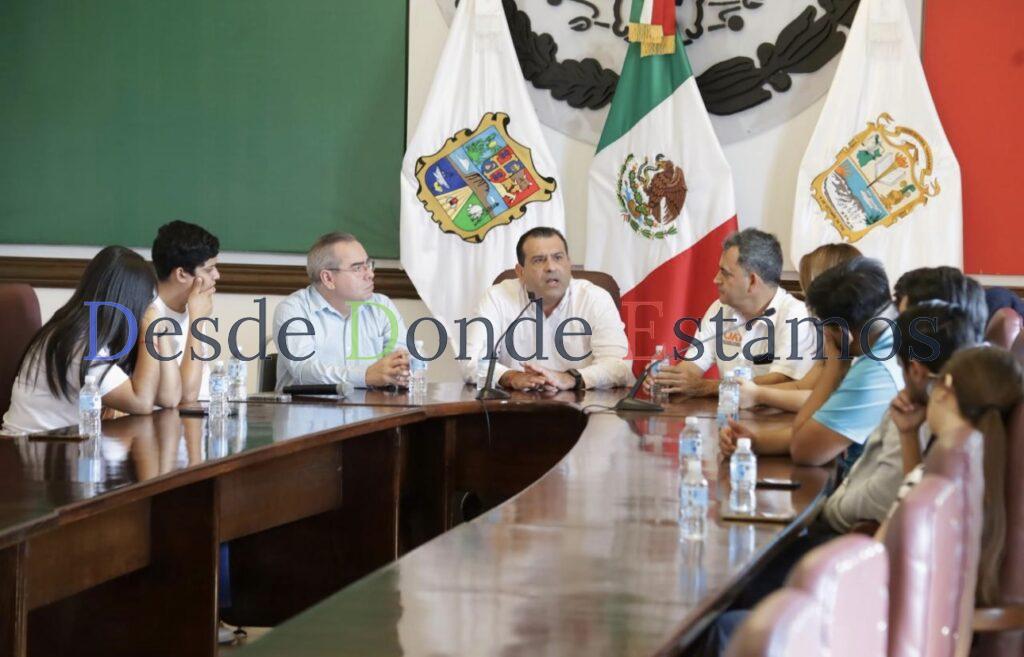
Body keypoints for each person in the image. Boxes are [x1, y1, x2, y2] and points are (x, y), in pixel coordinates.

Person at [722, 257, 903, 472]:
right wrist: (755, 441)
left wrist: (836, 364)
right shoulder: (890, 339)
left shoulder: (875, 371)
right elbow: (821, 427)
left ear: (841, 333)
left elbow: (804, 450)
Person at [821, 301, 978, 533]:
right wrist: (908, 434)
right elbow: (913, 497)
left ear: (915, 370)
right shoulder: (972, 408)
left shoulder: (950, 441)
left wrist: (825, 513)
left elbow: (911, 519)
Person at [893, 346, 1023, 607]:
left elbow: (890, 555)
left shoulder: (938, 479)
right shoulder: (1001, 474)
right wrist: (908, 435)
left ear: (945, 389)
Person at [2, 246, 181, 433]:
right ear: (127, 302)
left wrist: (160, 329)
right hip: (26, 451)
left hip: (60, 448)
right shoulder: (77, 342)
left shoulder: (106, 336)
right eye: (146, 303)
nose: (148, 310)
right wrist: (149, 334)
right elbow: (141, 402)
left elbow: (170, 398)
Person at [650, 229, 817, 398]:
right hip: (728, 417)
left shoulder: (795, 315)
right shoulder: (719, 309)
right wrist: (667, 381)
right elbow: (692, 367)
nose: (716, 279)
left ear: (752, 281)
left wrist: (708, 387)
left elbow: (783, 381)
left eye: (725, 272)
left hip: (776, 420)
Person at [461, 227, 632, 391]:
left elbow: (619, 366)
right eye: (539, 260)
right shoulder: (497, 297)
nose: (551, 267)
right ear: (520, 272)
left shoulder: (594, 298)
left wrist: (571, 378)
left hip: (582, 408)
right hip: (513, 406)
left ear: (569, 263)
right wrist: (510, 376)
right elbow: (471, 361)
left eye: (558, 257)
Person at [273, 232, 409, 390]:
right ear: (328, 279)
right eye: (358, 268)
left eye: (369, 265)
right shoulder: (293, 310)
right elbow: (303, 370)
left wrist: (402, 369)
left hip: (372, 409)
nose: (370, 274)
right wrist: (364, 376)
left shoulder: (382, 307)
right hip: (309, 410)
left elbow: (400, 363)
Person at [738, 243, 862, 412]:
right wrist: (750, 391)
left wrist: (759, 395)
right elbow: (802, 387)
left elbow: (822, 401)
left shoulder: (859, 335)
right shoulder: (833, 330)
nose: (807, 300)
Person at [150, 220, 219, 402]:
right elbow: (186, 396)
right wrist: (197, 321)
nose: (217, 276)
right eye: (209, 270)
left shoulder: (194, 304)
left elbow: (203, 389)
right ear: (181, 274)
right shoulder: (148, 313)